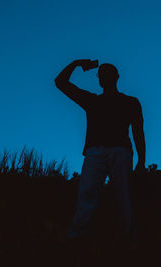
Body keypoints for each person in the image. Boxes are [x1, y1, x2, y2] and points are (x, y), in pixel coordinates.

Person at [54, 59, 146, 252]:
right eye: (102, 74)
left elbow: (138, 132)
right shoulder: (93, 101)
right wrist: (76, 63)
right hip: (97, 151)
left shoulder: (130, 102)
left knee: (123, 195)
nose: (104, 76)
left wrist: (141, 161)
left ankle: (127, 238)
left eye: (107, 73)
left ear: (116, 77)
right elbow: (60, 82)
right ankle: (78, 236)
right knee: (89, 193)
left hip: (119, 151)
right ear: (100, 80)